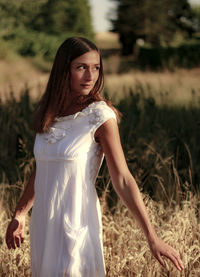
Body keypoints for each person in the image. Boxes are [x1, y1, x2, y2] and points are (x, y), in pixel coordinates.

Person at [5, 37, 184, 276]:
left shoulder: (100, 116)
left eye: (96, 68)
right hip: (44, 228)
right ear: (63, 69)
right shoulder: (48, 114)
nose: (91, 76)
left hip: (76, 227)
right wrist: (19, 213)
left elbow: (122, 179)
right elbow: (45, 168)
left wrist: (153, 238)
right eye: (81, 67)